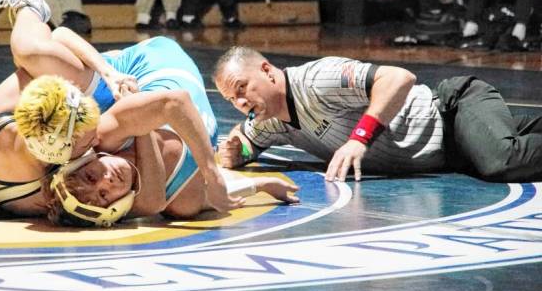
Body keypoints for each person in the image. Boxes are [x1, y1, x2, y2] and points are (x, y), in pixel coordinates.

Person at [0, 0, 297, 227]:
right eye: (104, 194)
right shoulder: (171, 203)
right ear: (116, 209)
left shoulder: (105, 136)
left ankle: (28, 4)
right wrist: (259, 185)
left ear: (65, 161)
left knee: (33, 52)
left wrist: (108, 75)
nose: (106, 178)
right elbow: (216, 196)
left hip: (145, 72)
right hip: (151, 96)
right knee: (188, 203)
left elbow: (64, 37)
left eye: (90, 169)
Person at [213, 46, 542, 183]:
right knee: (500, 142)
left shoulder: (317, 80)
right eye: (230, 99)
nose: (239, 102)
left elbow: (399, 78)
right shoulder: (268, 118)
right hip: (452, 151)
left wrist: (360, 138)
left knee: (500, 160)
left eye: (241, 88)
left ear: (268, 71)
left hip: (451, 112)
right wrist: (236, 151)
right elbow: (246, 140)